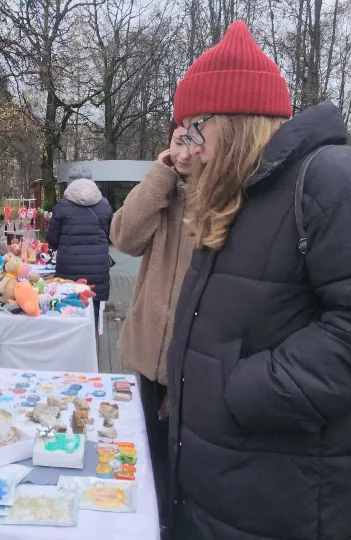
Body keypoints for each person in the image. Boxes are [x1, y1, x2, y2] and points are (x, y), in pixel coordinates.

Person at [164, 21, 351, 539]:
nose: (184, 150)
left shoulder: (338, 180)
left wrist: (245, 391)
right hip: (230, 490)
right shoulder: (241, 197)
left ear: (232, 121)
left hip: (290, 499)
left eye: (191, 129)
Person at [109, 121, 195, 528]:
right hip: (149, 355)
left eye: (195, 140)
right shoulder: (165, 190)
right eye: (179, 139)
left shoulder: (228, 195)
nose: (184, 151)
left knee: (189, 470)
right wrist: (160, 174)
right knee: (153, 457)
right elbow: (123, 237)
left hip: (195, 361)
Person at [45, 165, 113, 327]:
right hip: (97, 268)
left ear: (70, 183)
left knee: (68, 312)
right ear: (91, 181)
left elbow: (52, 238)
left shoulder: (62, 206)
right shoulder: (104, 205)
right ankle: (93, 348)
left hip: (69, 269)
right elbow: (110, 234)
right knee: (94, 314)